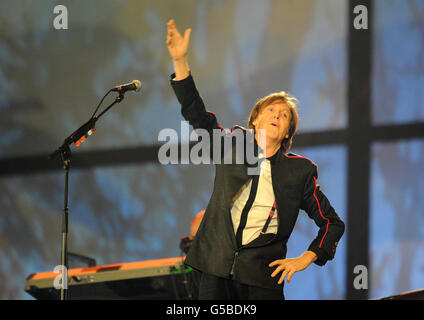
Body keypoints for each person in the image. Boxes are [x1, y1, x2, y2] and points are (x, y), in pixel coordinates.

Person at [166, 19, 345, 300]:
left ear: (288, 133)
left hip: (262, 281)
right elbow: (196, 113)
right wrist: (180, 61)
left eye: (284, 115)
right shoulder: (231, 146)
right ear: (255, 120)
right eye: (271, 110)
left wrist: (307, 258)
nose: (276, 115)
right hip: (214, 271)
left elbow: (332, 223)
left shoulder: (300, 171)